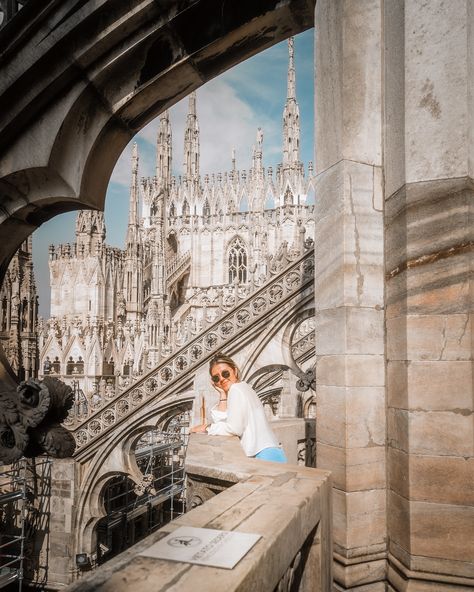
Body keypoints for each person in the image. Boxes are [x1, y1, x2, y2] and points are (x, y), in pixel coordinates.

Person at [191, 353, 287, 463]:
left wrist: (207, 427)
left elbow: (234, 429)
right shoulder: (244, 387)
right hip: (271, 451)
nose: (222, 379)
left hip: (264, 455)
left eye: (225, 373)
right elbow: (225, 419)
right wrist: (222, 393)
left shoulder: (235, 390)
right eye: (216, 378)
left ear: (235, 371)